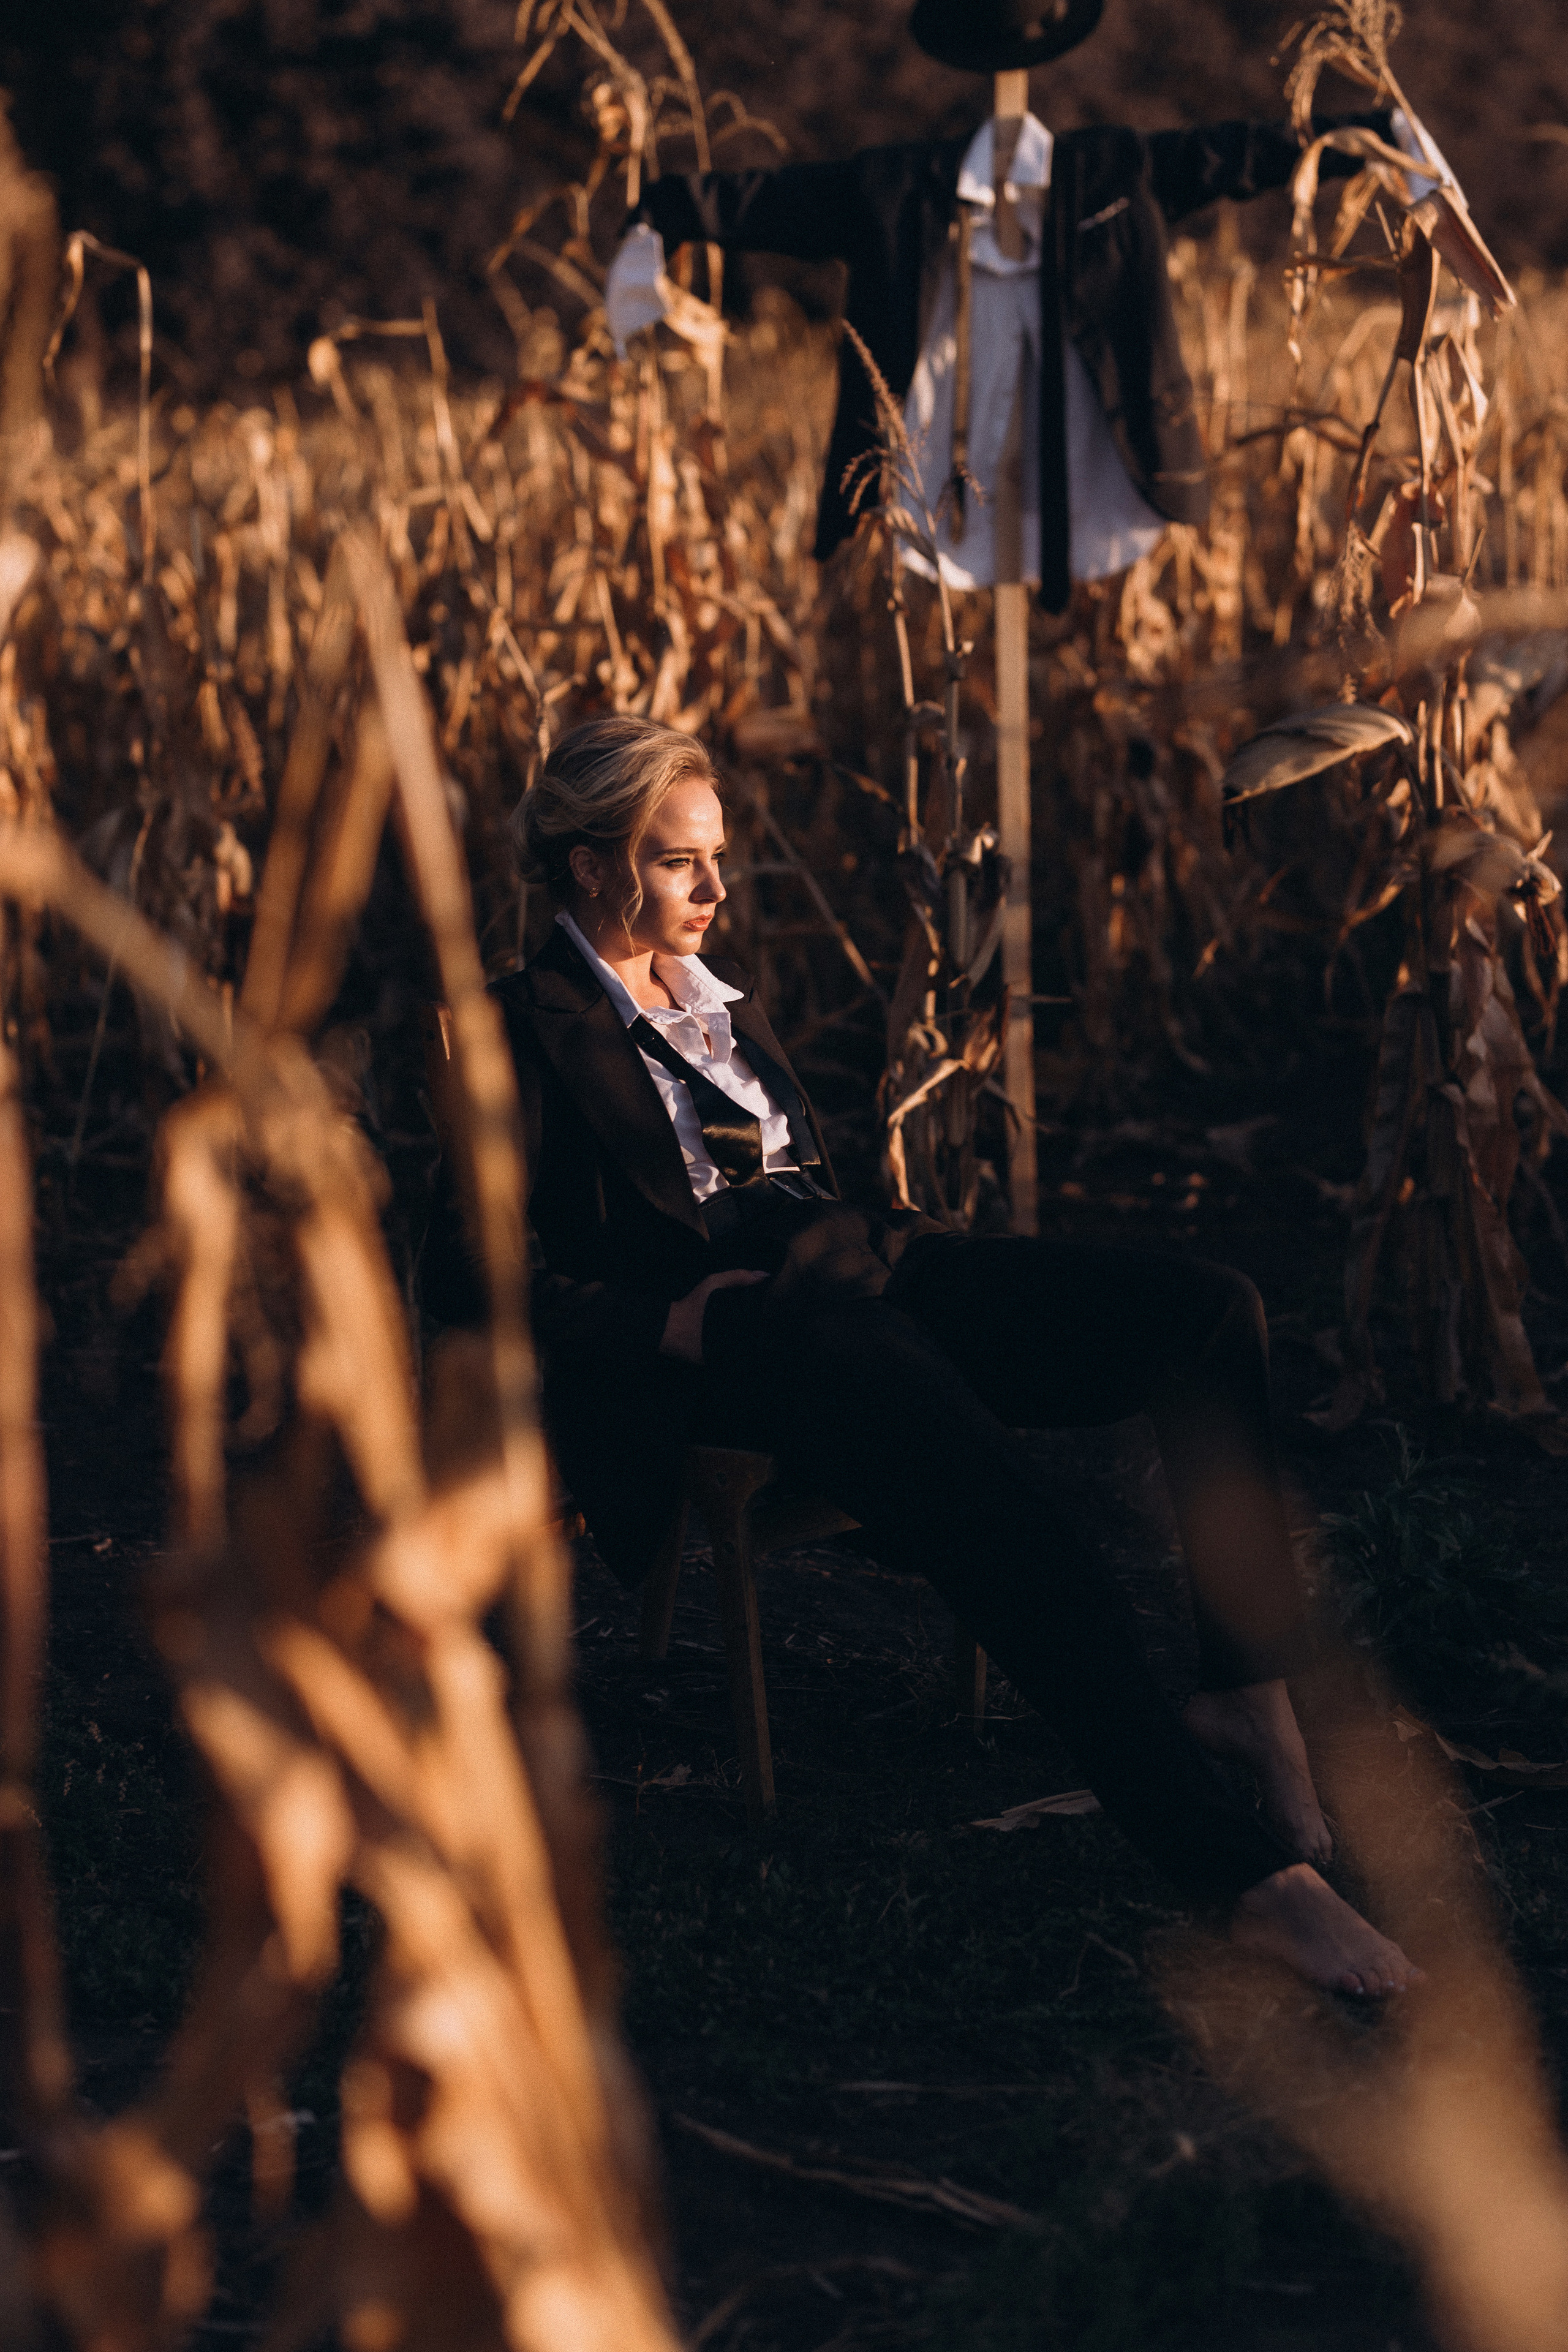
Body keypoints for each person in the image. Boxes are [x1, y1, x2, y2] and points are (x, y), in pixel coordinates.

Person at [421, 714, 1420, 1997]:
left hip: (853, 1268)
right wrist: (659, 1324)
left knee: (1206, 1310)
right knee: (1005, 1506)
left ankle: (1244, 1690)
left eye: (714, 856)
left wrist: (892, 1244)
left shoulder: (717, 1000)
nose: (716, 889)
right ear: (580, 866)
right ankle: (1243, 1882)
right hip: (744, 1337)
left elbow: (788, 1172)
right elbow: (456, 1273)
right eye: (679, 862)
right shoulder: (518, 1026)